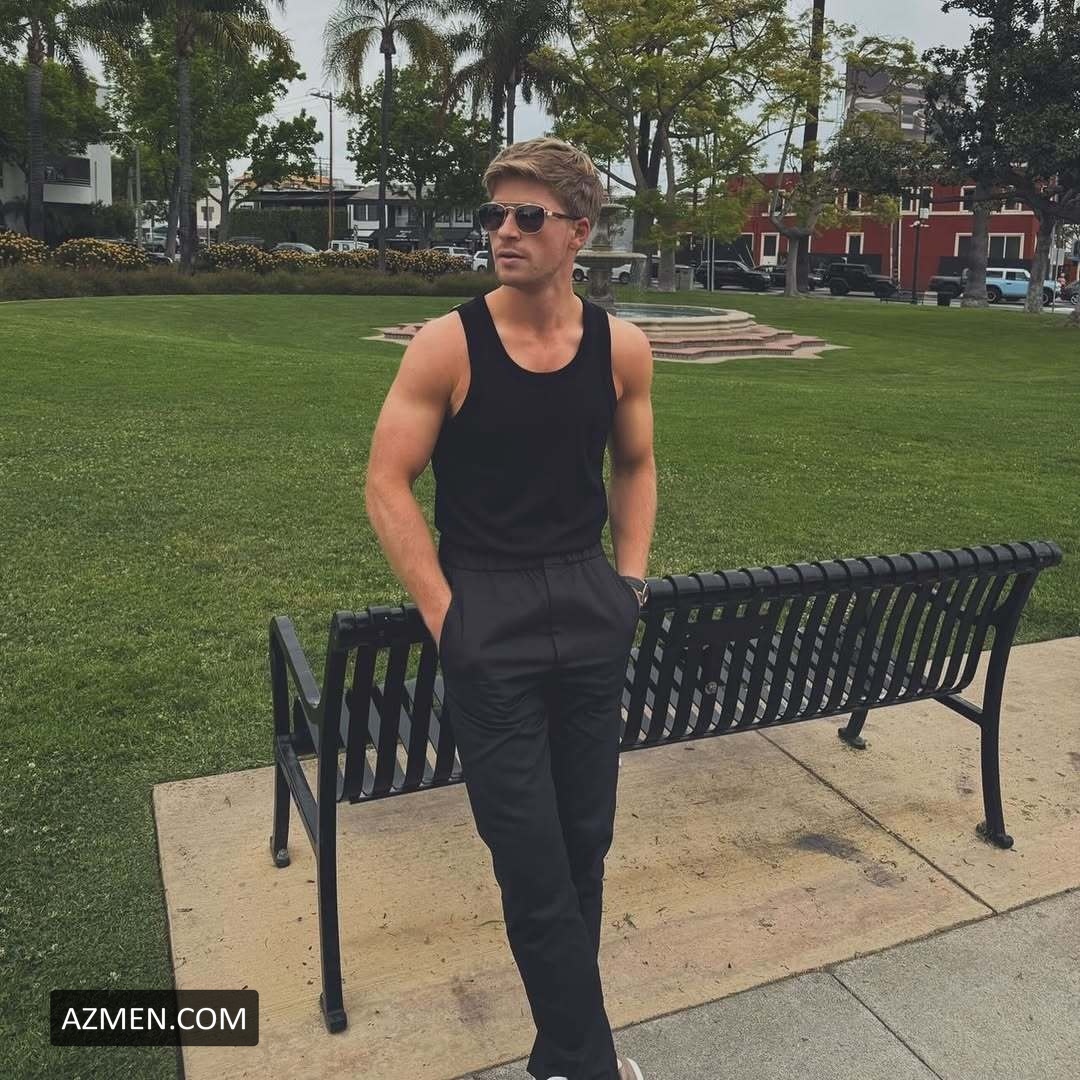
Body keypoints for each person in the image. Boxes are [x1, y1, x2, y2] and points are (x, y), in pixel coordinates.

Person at [364, 136, 656, 1080]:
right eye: (495, 215)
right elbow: (386, 481)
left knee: (584, 843)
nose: (505, 232)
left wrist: (630, 580)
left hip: (587, 598)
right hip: (487, 608)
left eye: (530, 216)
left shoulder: (621, 347)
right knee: (530, 858)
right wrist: (447, 615)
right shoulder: (449, 344)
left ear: (580, 232)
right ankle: (592, 1064)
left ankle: (562, 1057)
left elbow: (636, 464)